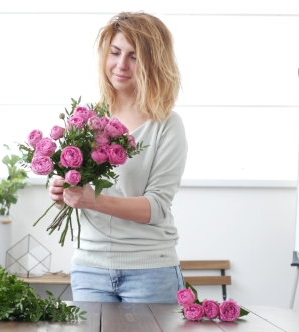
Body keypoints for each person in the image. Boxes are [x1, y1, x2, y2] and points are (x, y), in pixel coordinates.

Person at [48, 11, 188, 303]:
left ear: (153, 64)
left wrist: (90, 199)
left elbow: (156, 208)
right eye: (115, 52)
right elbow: (79, 187)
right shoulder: (87, 119)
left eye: (134, 57)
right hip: (90, 269)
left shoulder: (166, 125)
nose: (121, 65)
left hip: (149, 271)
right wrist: (62, 188)